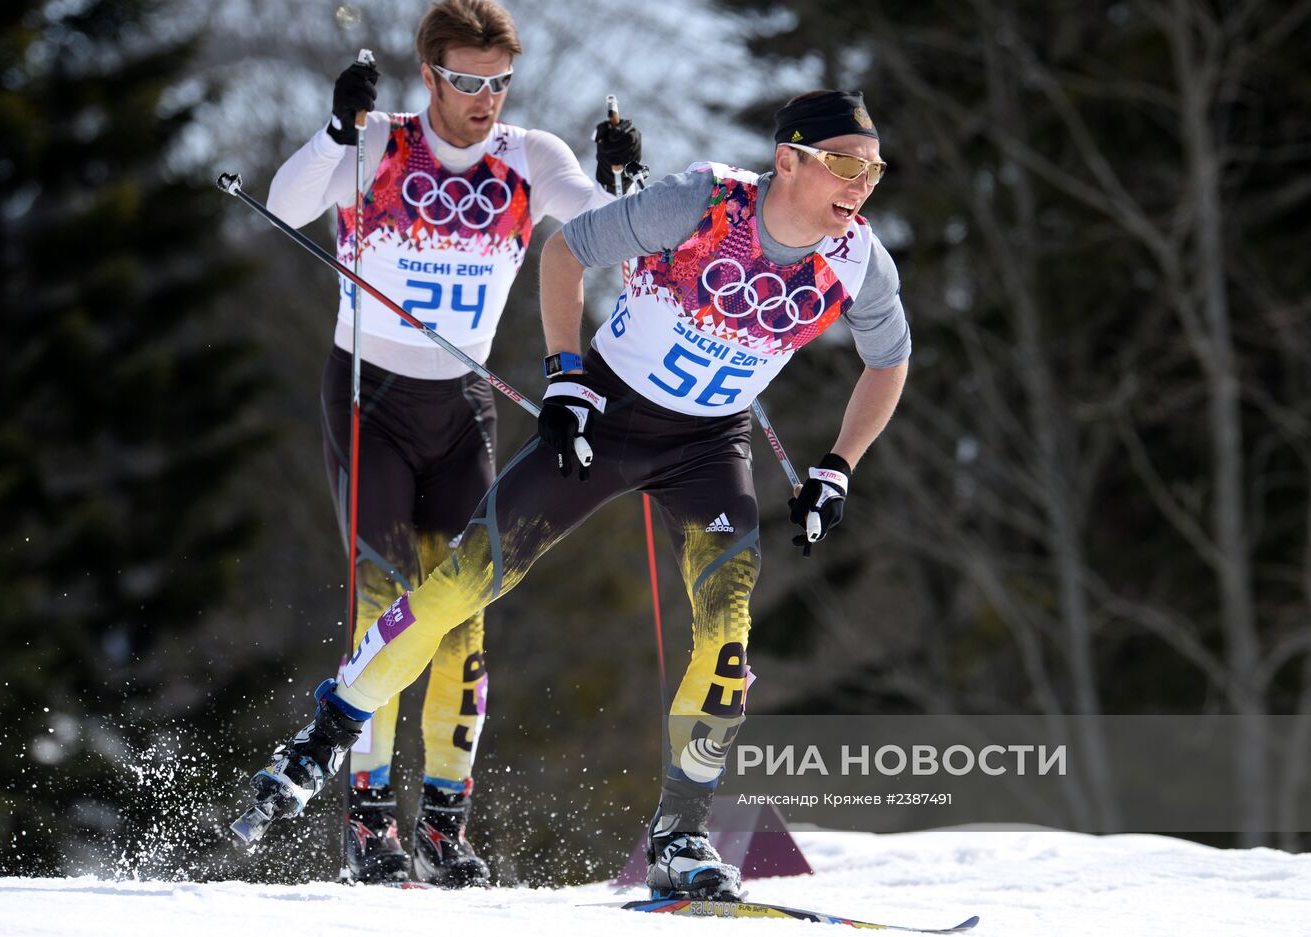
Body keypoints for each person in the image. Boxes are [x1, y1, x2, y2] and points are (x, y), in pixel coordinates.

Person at [243, 89, 907, 900]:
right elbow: (566, 254)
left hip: (709, 446)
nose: (861, 183)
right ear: (789, 160)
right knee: (464, 583)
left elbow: (888, 359)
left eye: (873, 168)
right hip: (608, 419)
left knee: (729, 637)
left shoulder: (861, 259)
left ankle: (681, 834)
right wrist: (563, 379)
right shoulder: (704, 202)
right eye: (845, 164)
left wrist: (839, 464)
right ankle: (325, 733)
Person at [264, 0, 644, 886]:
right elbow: (283, 209)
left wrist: (625, 186)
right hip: (370, 395)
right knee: (385, 600)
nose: (487, 99)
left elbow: (622, 253)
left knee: (462, 608)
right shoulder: (379, 143)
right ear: (429, 74)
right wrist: (334, 128)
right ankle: (368, 826)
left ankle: (441, 822)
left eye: (500, 81)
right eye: (469, 81)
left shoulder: (530, 157)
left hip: (464, 403)